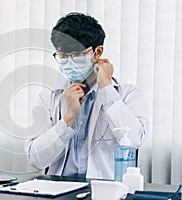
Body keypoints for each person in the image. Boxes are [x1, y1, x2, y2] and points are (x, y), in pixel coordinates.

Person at [25, 12, 149, 180]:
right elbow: (36, 159)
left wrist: (106, 88)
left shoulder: (128, 95)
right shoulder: (48, 97)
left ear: (97, 52)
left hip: (104, 192)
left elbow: (133, 141)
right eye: (63, 56)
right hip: (57, 190)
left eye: (76, 55)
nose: (69, 61)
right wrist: (68, 118)